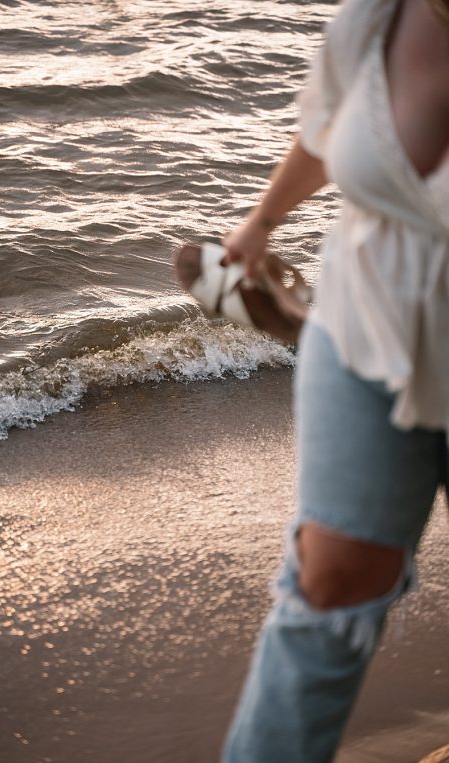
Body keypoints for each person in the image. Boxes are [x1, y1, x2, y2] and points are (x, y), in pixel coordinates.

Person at [221, 0, 449, 760]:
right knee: (327, 584)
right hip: (365, 321)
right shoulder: (376, 19)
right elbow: (329, 130)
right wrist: (261, 223)